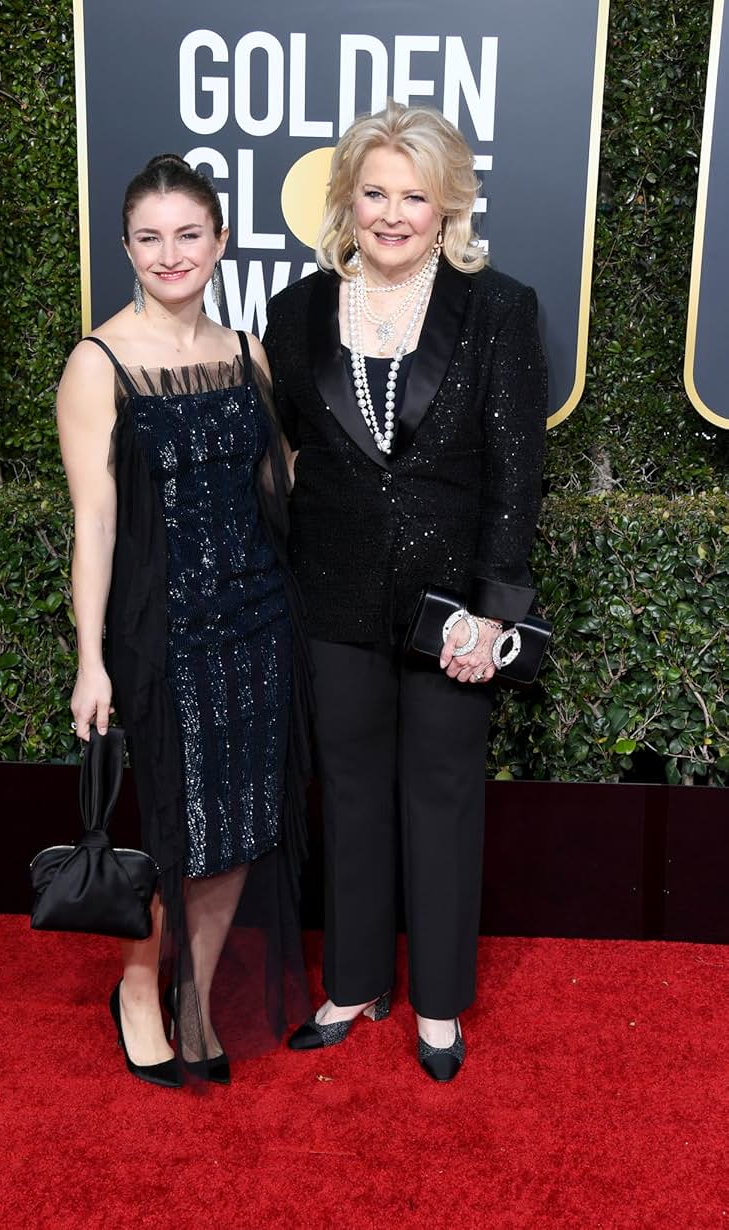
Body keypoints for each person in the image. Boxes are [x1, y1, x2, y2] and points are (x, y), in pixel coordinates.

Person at [263, 101, 548, 1082]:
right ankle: (352, 981)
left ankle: (436, 1003)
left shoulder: (499, 309)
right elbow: (295, 452)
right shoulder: (294, 312)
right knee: (347, 791)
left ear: (447, 205)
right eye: (374, 191)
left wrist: (492, 608)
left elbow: (517, 473)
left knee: (440, 793)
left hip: (450, 614)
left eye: (412, 196)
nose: (391, 214)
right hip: (332, 592)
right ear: (346, 197)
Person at [57, 154, 309, 1089]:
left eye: (188, 235)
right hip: (160, 630)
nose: (171, 255)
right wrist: (92, 660)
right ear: (126, 247)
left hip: (256, 620)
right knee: (171, 826)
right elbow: (95, 522)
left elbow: (281, 482)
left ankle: (196, 995)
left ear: (220, 242)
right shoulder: (99, 364)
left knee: (239, 820)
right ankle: (135, 988)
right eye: (150, 238)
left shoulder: (249, 354)